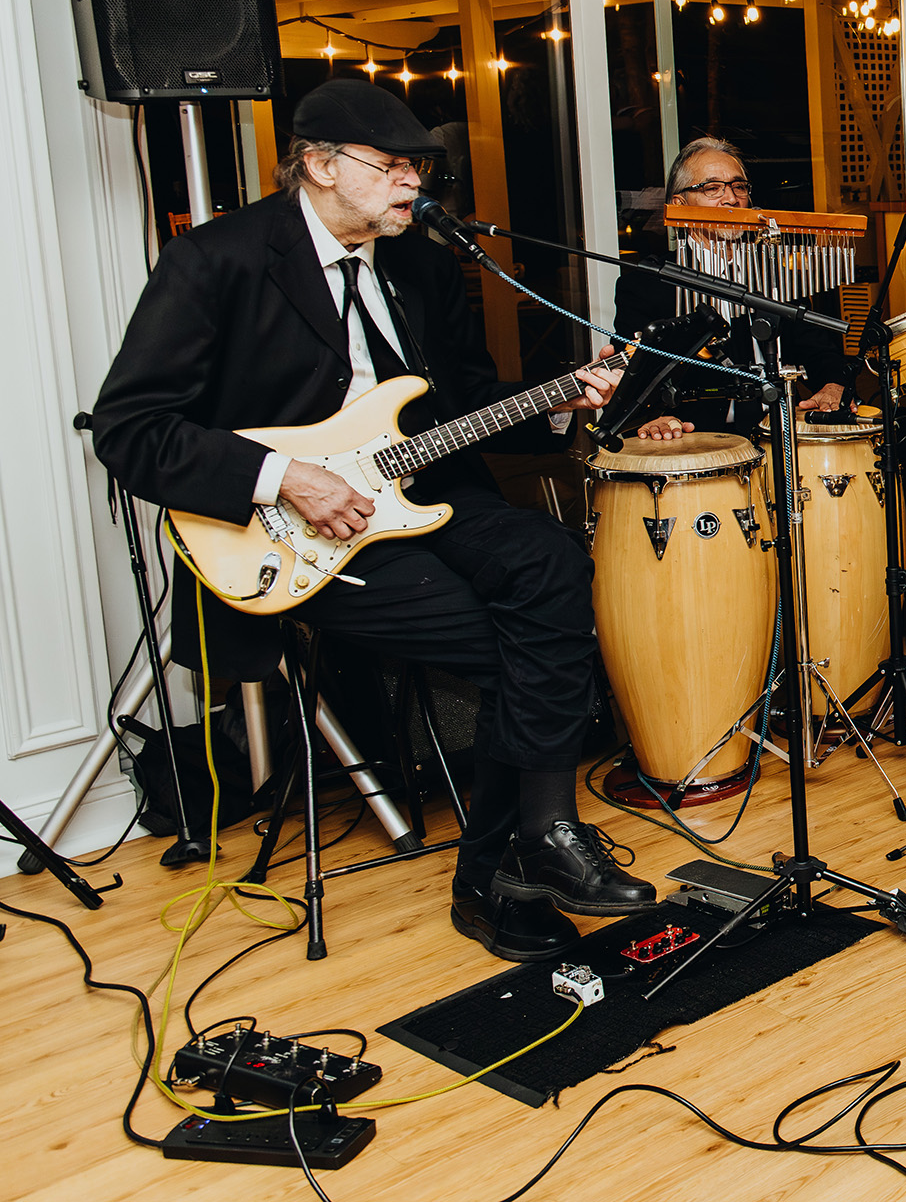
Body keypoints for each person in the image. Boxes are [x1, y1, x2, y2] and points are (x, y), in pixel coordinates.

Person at [90, 78, 649, 965]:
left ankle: (539, 839)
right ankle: (500, 877)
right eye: (389, 166)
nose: (411, 183)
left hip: (423, 495)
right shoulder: (217, 260)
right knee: (524, 653)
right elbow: (130, 429)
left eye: (417, 167)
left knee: (551, 561)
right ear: (318, 165)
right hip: (295, 533)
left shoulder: (421, 264)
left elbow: (464, 403)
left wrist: (560, 400)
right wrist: (285, 477)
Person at [616, 136, 856, 439]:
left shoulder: (775, 275)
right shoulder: (647, 283)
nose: (730, 198)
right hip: (697, 441)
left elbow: (820, 352)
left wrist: (834, 385)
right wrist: (655, 419)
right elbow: (629, 379)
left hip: (779, 435)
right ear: (680, 205)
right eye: (712, 188)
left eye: (739, 187)